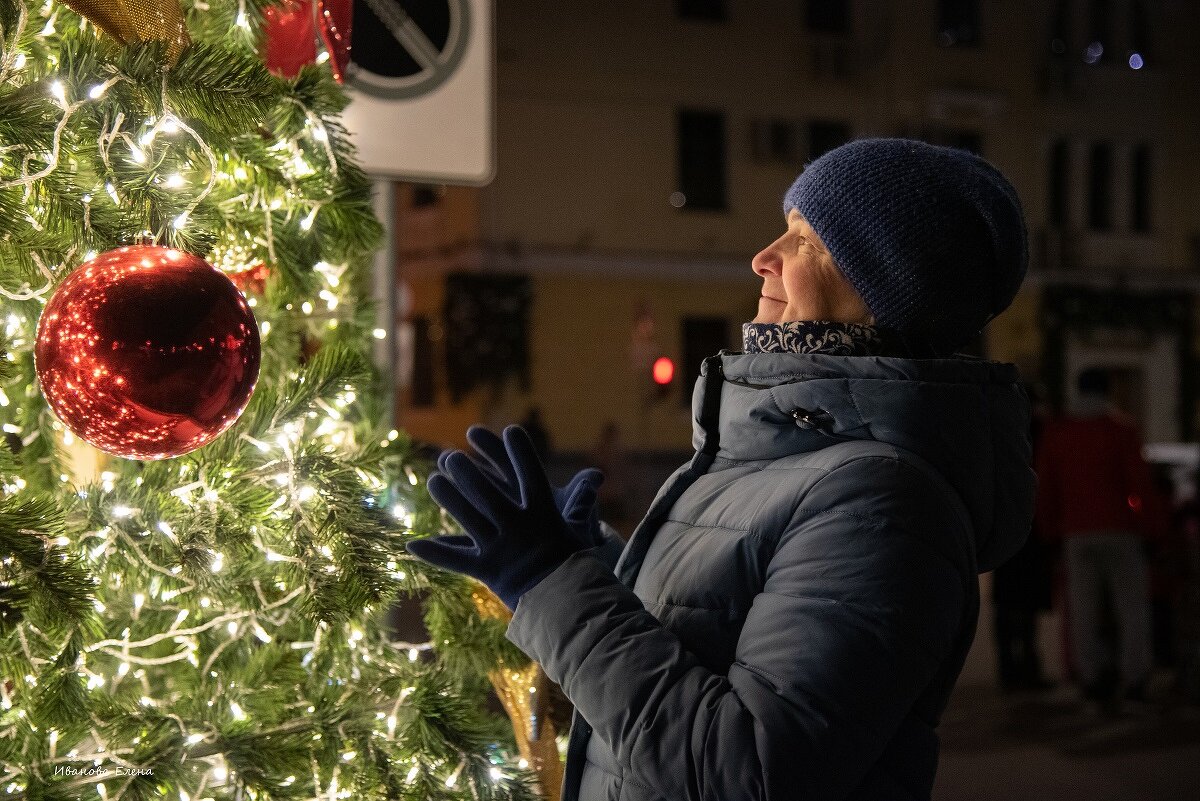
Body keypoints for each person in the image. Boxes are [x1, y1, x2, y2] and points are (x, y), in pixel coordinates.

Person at [409, 138, 1035, 801]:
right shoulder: (791, 452)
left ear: (884, 289)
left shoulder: (884, 503)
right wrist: (597, 569)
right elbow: (710, 650)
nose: (763, 257)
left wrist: (555, 588)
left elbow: (747, 774)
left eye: (806, 239)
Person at [1035, 367, 1159, 707]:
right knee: (1131, 607)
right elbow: (1139, 485)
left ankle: (1091, 676)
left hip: (1076, 532)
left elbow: (1047, 486)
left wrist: (1049, 530)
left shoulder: (1060, 432)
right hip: (1120, 528)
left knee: (1083, 609)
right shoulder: (1121, 430)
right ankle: (1135, 676)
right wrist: (1150, 527)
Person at [992, 383, 1055, 692]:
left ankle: (1010, 669)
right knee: (1025, 604)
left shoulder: (1000, 430)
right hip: (1032, 525)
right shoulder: (1040, 432)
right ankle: (1027, 667)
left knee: (1007, 604)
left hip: (1007, 523)